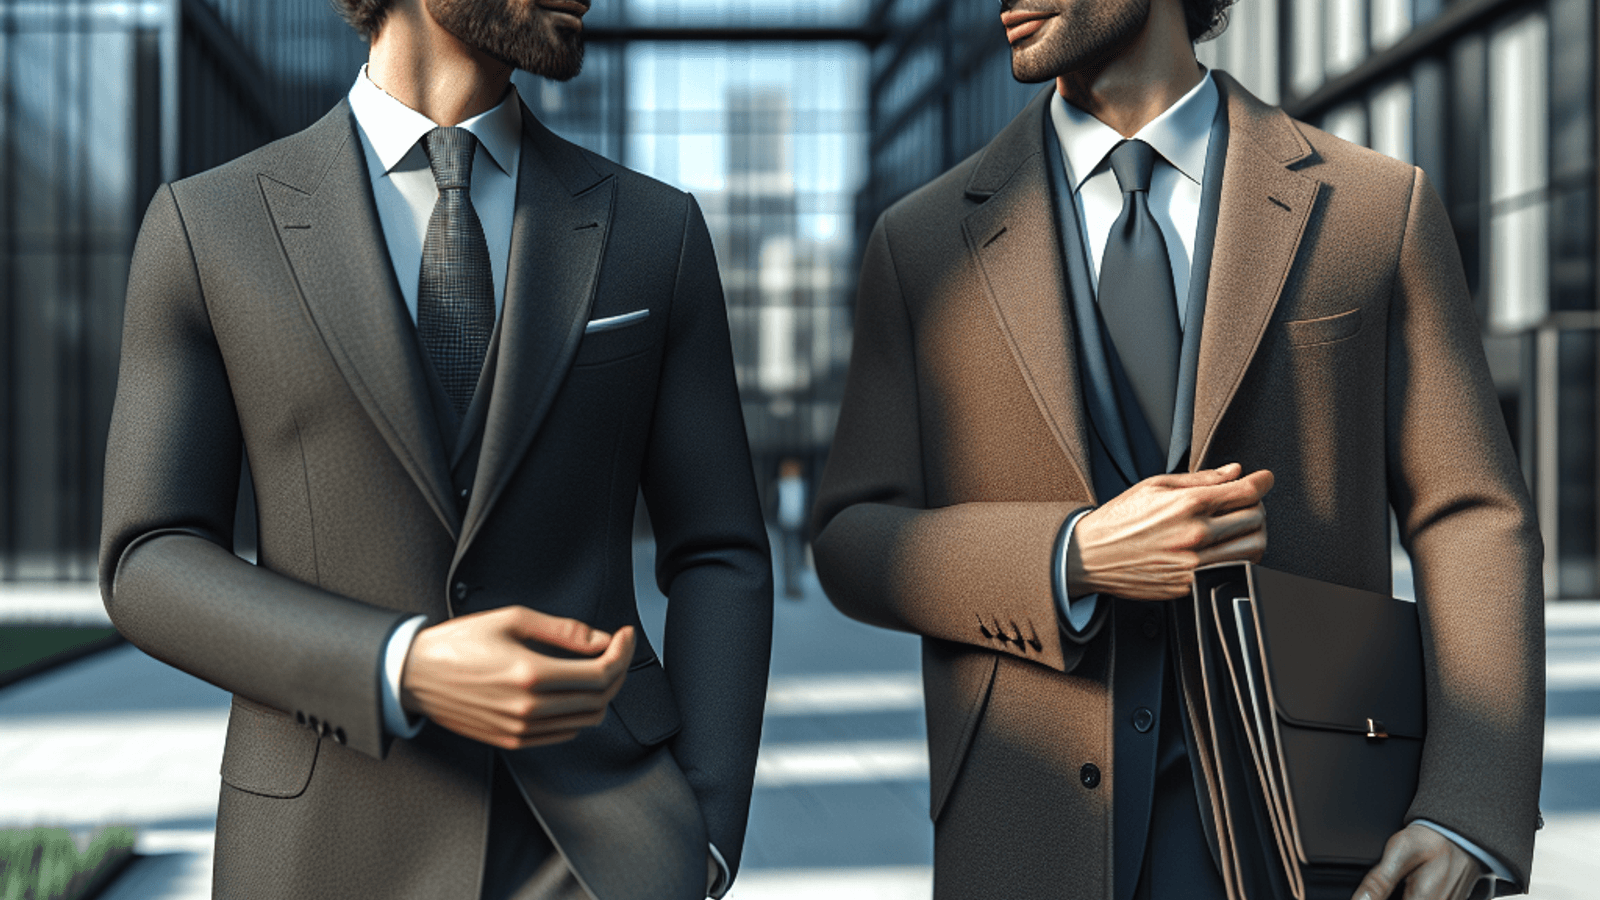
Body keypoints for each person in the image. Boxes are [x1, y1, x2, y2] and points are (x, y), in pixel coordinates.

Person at [810, 1, 1543, 899]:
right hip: (1028, 833)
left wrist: (1465, 809)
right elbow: (852, 536)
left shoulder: (1373, 208)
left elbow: (1469, 513)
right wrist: (1067, 556)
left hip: (1309, 830)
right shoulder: (922, 244)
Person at [97, 0, 772, 898]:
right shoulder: (208, 227)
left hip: (599, 851)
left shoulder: (657, 231)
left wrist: (706, 836)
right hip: (318, 850)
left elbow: (721, 548)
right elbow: (149, 555)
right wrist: (399, 665)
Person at [775, 458, 809, 599]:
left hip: (798, 526)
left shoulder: (803, 486)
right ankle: (789, 586)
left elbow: (806, 505)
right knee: (786, 557)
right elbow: (774, 505)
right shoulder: (779, 485)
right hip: (784, 525)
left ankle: (796, 586)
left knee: (796, 557)